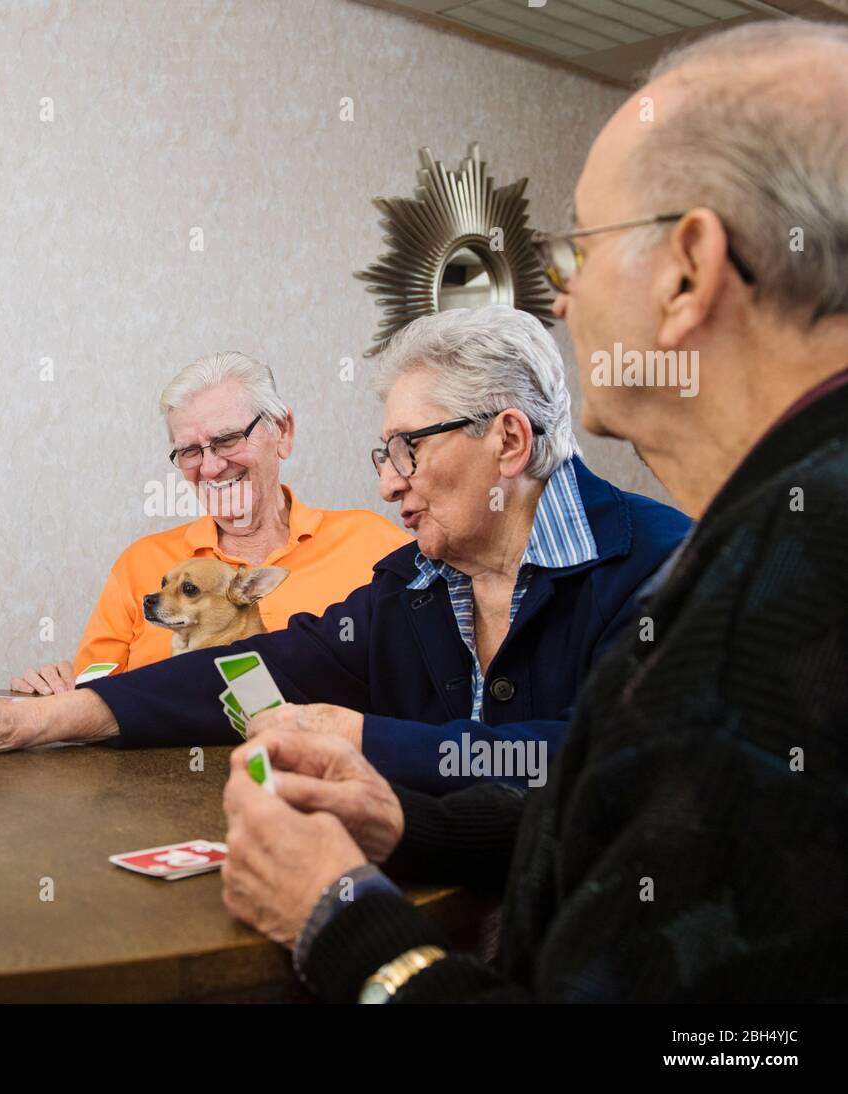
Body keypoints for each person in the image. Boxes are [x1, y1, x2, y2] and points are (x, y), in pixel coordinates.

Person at [220, 19, 848, 1002]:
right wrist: (412, 823)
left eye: (579, 254)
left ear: (687, 268)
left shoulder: (768, 598)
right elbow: (640, 815)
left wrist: (337, 912)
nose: (561, 303)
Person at [0, 306, 689, 793]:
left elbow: (605, 760)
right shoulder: (414, 584)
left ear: (508, 439)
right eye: (386, 456)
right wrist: (27, 722)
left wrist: (360, 738)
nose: (390, 484)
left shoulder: (664, 565)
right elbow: (247, 672)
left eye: (408, 450)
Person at [10, 350, 408, 693]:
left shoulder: (375, 545)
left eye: (228, 440)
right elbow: (94, 694)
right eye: (189, 451)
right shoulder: (141, 563)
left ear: (282, 432)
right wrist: (56, 687)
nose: (212, 467)